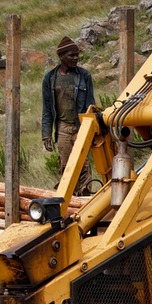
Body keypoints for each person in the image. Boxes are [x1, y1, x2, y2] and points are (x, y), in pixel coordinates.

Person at [41, 36, 95, 194]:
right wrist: (46, 135)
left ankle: (84, 198)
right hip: (63, 128)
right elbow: (47, 109)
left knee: (84, 165)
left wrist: (92, 130)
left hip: (81, 126)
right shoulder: (50, 79)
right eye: (71, 55)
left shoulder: (84, 76)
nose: (76, 58)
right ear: (61, 57)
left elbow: (91, 106)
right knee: (66, 166)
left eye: (77, 55)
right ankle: (68, 199)